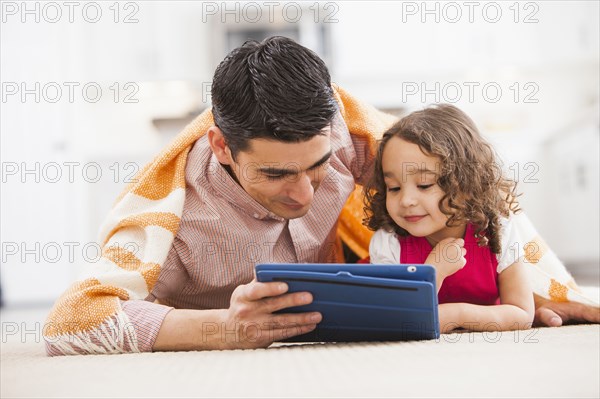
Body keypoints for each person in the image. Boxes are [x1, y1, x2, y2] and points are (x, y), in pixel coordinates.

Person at [44, 37, 598, 356]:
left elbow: (465, 189)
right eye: (278, 174)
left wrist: (537, 286)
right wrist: (221, 329)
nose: (308, 191)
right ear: (221, 146)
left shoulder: (348, 137)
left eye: (318, 165)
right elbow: (70, 324)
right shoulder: (176, 209)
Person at [363, 104, 598, 333]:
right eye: (393, 187)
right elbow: (392, 317)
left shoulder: (498, 231)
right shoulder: (390, 241)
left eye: (424, 185)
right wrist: (433, 271)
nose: (406, 200)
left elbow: (521, 313)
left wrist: (456, 315)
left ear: (467, 184)